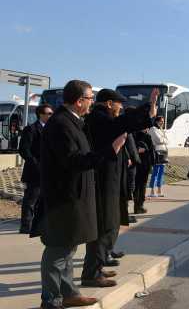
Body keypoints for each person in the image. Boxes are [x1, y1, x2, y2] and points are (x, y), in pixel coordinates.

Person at [36, 80, 128, 308]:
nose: (91, 103)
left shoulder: (72, 122)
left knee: (68, 248)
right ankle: (51, 299)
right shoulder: (61, 125)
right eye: (89, 99)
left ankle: (68, 293)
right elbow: (73, 161)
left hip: (73, 198)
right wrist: (111, 150)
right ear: (79, 101)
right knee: (58, 251)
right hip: (63, 199)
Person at [81, 88, 156, 288]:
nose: (121, 106)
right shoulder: (99, 118)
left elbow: (126, 125)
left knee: (109, 224)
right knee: (104, 225)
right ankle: (91, 273)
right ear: (108, 103)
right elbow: (123, 124)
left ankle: (96, 267)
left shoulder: (104, 118)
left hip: (112, 179)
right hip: (104, 180)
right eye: (119, 103)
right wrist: (147, 108)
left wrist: (149, 112)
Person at [18, 103, 53, 234]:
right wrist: (36, 164)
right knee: (31, 199)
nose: (51, 116)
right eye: (48, 113)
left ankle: (40, 225)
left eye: (52, 113)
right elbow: (24, 150)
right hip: (35, 171)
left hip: (48, 171)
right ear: (41, 114)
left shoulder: (52, 129)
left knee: (43, 200)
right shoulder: (31, 129)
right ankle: (26, 226)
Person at [133, 126, 155, 214]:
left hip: (136, 164)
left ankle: (136, 206)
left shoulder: (134, 135)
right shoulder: (147, 137)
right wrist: (153, 164)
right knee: (142, 185)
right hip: (145, 164)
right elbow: (151, 151)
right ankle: (140, 206)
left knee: (137, 185)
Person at [148, 116, 168, 198]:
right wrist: (164, 140)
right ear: (156, 121)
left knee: (161, 173)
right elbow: (158, 140)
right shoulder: (153, 129)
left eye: (163, 121)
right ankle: (152, 191)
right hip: (157, 152)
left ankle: (159, 190)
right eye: (160, 121)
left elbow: (167, 140)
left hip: (164, 152)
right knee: (155, 172)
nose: (162, 123)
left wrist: (163, 139)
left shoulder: (161, 130)